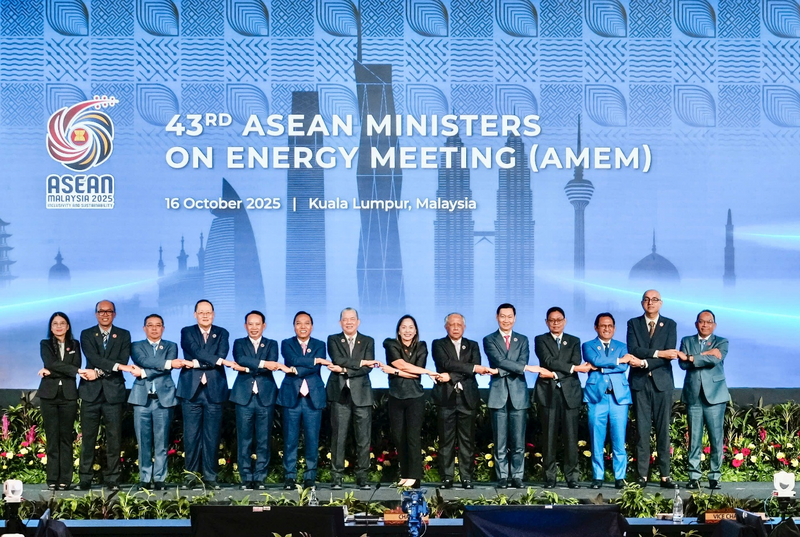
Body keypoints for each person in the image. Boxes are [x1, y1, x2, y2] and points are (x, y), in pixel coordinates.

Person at [432, 313, 494, 490]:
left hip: (468, 398)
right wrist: (471, 368)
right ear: (446, 327)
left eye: (459, 324)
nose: (456, 327)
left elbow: (472, 369)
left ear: (464, 327)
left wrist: (451, 375)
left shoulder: (472, 345)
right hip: (446, 398)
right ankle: (447, 478)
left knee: (467, 440)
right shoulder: (438, 344)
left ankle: (467, 478)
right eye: (452, 324)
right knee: (446, 441)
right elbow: (445, 362)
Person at [483, 303, 543, 489]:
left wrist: (500, 371)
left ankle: (517, 476)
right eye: (503, 316)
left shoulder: (523, 340)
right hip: (498, 393)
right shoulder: (489, 339)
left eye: (509, 316)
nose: (506, 319)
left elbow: (520, 360)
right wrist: (523, 369)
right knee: (500, 439)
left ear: (514, 318)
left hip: (518, 394)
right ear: (497, 317)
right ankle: (502, 476)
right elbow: (498, 360)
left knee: (518, 440)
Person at [78, 300, 135, 491]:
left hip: (113, 393)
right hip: (90, 393)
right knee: (88, 438)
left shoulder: (124, 335)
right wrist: (104, 369)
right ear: (96, 314)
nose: (105, 314)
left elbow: (123, 360)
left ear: (114, 314)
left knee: (114, 438)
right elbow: (93, 358)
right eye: (101, 311)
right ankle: (85, 478)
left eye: (109, 311)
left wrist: (99, 372)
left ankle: (113, 479)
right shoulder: (86, 334)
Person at [626, 289, 679, 488]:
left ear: (661, 303)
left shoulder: (670, 324)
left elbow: (670, 355)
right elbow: (634, 350)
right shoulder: (633, 323)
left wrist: (645, 363)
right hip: (640, 383)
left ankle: (665, 475)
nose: (650, 303)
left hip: (662, 383)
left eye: (654, 300)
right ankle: (642, 475)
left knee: (663, 430)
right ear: (642, 303)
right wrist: (658, 353)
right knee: (642, 429)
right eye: (647, 300)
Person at [175, 299, 230, 489]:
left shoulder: (222, 333)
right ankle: (190, 476)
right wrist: (217, 361)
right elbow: (195, 350)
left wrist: (198, 362)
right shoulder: (187, 331)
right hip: (191, 391)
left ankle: (210, 476)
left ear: (213, 314)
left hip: (214, 390)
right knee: (191, 436)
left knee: (212, 436)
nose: (205, 315)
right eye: (201, 312)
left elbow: (220, 355)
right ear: (195, 315)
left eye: (208, 312)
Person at [534, 306, 590, 489]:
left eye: (559, 320)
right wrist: (573, 369)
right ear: (546, 322)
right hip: (547, 394)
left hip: (570, 394)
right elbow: (548, 361)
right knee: (548, 438)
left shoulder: (574, 341)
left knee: (571, 437)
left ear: (565, 321)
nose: (556, 323)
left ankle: (572, 476)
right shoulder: (540, 340)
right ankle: (550, 477)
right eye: (552, 320)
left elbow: (573, 361)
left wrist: (555, 374)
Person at [224, 311, 281, 491]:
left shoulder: (272, 344)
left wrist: (246, 368)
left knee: (264, 439)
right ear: (245, 326)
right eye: (250, 324)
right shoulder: (239, 343)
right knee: (244, 439)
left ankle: (260, 478)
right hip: (243, 397)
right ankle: (246, 477)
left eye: (257, 324)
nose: (254, 327)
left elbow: (272, 363)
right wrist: (262, 364)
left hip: (265, 396)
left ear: (264, 326)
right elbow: (241, 359)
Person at [380, 315, 439, 488]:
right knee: (399, 437)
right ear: (399, 330)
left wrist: (394, 371)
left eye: (411, 327)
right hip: (396, 396)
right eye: (404, 327)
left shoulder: (422, 346)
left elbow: (415, 374)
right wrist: (427, 372)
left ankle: (415, 476)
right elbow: (402, 365)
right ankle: (405, 474)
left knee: (413, 437)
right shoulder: (390, 344)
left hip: (415, 397)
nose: (407, 331)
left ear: (415, 330)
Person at [326, 308, 379, 490]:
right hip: (340, 394)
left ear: (358, 321)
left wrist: (344, 370)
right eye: (345, 319)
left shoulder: (368, 341)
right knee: (339, 437)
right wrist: (360, 362)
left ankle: (362, 477)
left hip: (362, 395)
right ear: (340, 322)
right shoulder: (333, 339)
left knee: (363, 438)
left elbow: (368, 367)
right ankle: (337, 477)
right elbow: (337, 358)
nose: (348, 322)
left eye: (352, 319)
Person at [128, 314, 182, 491]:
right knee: (143, 442)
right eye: (150, 325)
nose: (154, 328)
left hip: (163, 400)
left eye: (158, 325)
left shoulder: (171, 346)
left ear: (163, 328)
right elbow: (143, 361)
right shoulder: (136, 346)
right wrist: (167, 364)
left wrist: (144, 373)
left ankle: (159, 478)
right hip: (141, 400)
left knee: (161, 441)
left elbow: (157, 368)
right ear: (144, 328)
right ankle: (144, 477)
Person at [277, 311, 330, 490]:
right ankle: (290, 477)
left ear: (312, 326)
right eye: (299, 323)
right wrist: (313, 360)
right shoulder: (286, 343)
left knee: (312, 439)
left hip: (312, 398)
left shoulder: (320, 344)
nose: (303, 326)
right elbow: (291, 359)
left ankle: (310, 477)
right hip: (292, 397)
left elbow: (311, 368)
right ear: (294, 326)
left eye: (306, 323)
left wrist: (295, 369)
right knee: (290, 439)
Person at [37, 312, 89, 490]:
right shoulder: (45, 344)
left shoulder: (75, 344)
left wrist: (51, 371)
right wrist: (67, 370)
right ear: (51, 327)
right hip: (48, 396)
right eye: (55, 324)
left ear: (68, 327)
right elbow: (51, 363)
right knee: (52, 438)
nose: (59, 326)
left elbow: (68, 366)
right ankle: (52, 479)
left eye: (62, 323)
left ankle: (65, 479)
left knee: (66, 438)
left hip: (68, 396)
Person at [678, 310, 729, 490]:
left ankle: (715, 476)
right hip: (693, 395)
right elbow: (683, 364)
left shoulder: (721, 342)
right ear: (696, 324)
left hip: (715, 396)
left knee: (716, 438)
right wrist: (707, 354)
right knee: (694, 438)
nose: (705, 325)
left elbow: (714, 361)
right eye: (701, 321)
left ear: (714, 325)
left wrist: (692, 357)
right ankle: (694, 476)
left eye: (708, 322)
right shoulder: (687, 340)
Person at [582, 313, 633, 489]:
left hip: (619, 398)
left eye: (610, 325)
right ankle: (598, 476)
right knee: (597, 438)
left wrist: (601, 368)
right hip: (597, 398)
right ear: (596, 327)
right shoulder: (588, 345)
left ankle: (620, 477)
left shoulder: (622, 346)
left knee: (619, 439)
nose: (607, 328)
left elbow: (624, 367)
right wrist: (616, 362)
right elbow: (594, 360)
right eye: (603, 325)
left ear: (614, 328)